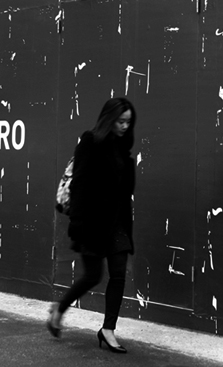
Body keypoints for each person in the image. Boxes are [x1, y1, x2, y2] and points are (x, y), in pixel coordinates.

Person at [47, 97, 137, 353]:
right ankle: (59, 308)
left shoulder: (124, 149)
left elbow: (124, 191)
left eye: (128, 122)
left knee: (118, 274)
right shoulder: (91, 141)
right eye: (120, 121)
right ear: (109, 119)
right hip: (93, 223)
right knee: (92, 276)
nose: (124, 126)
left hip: (117, 223)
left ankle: (108, 329)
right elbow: (79, 183)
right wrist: (77, 221)